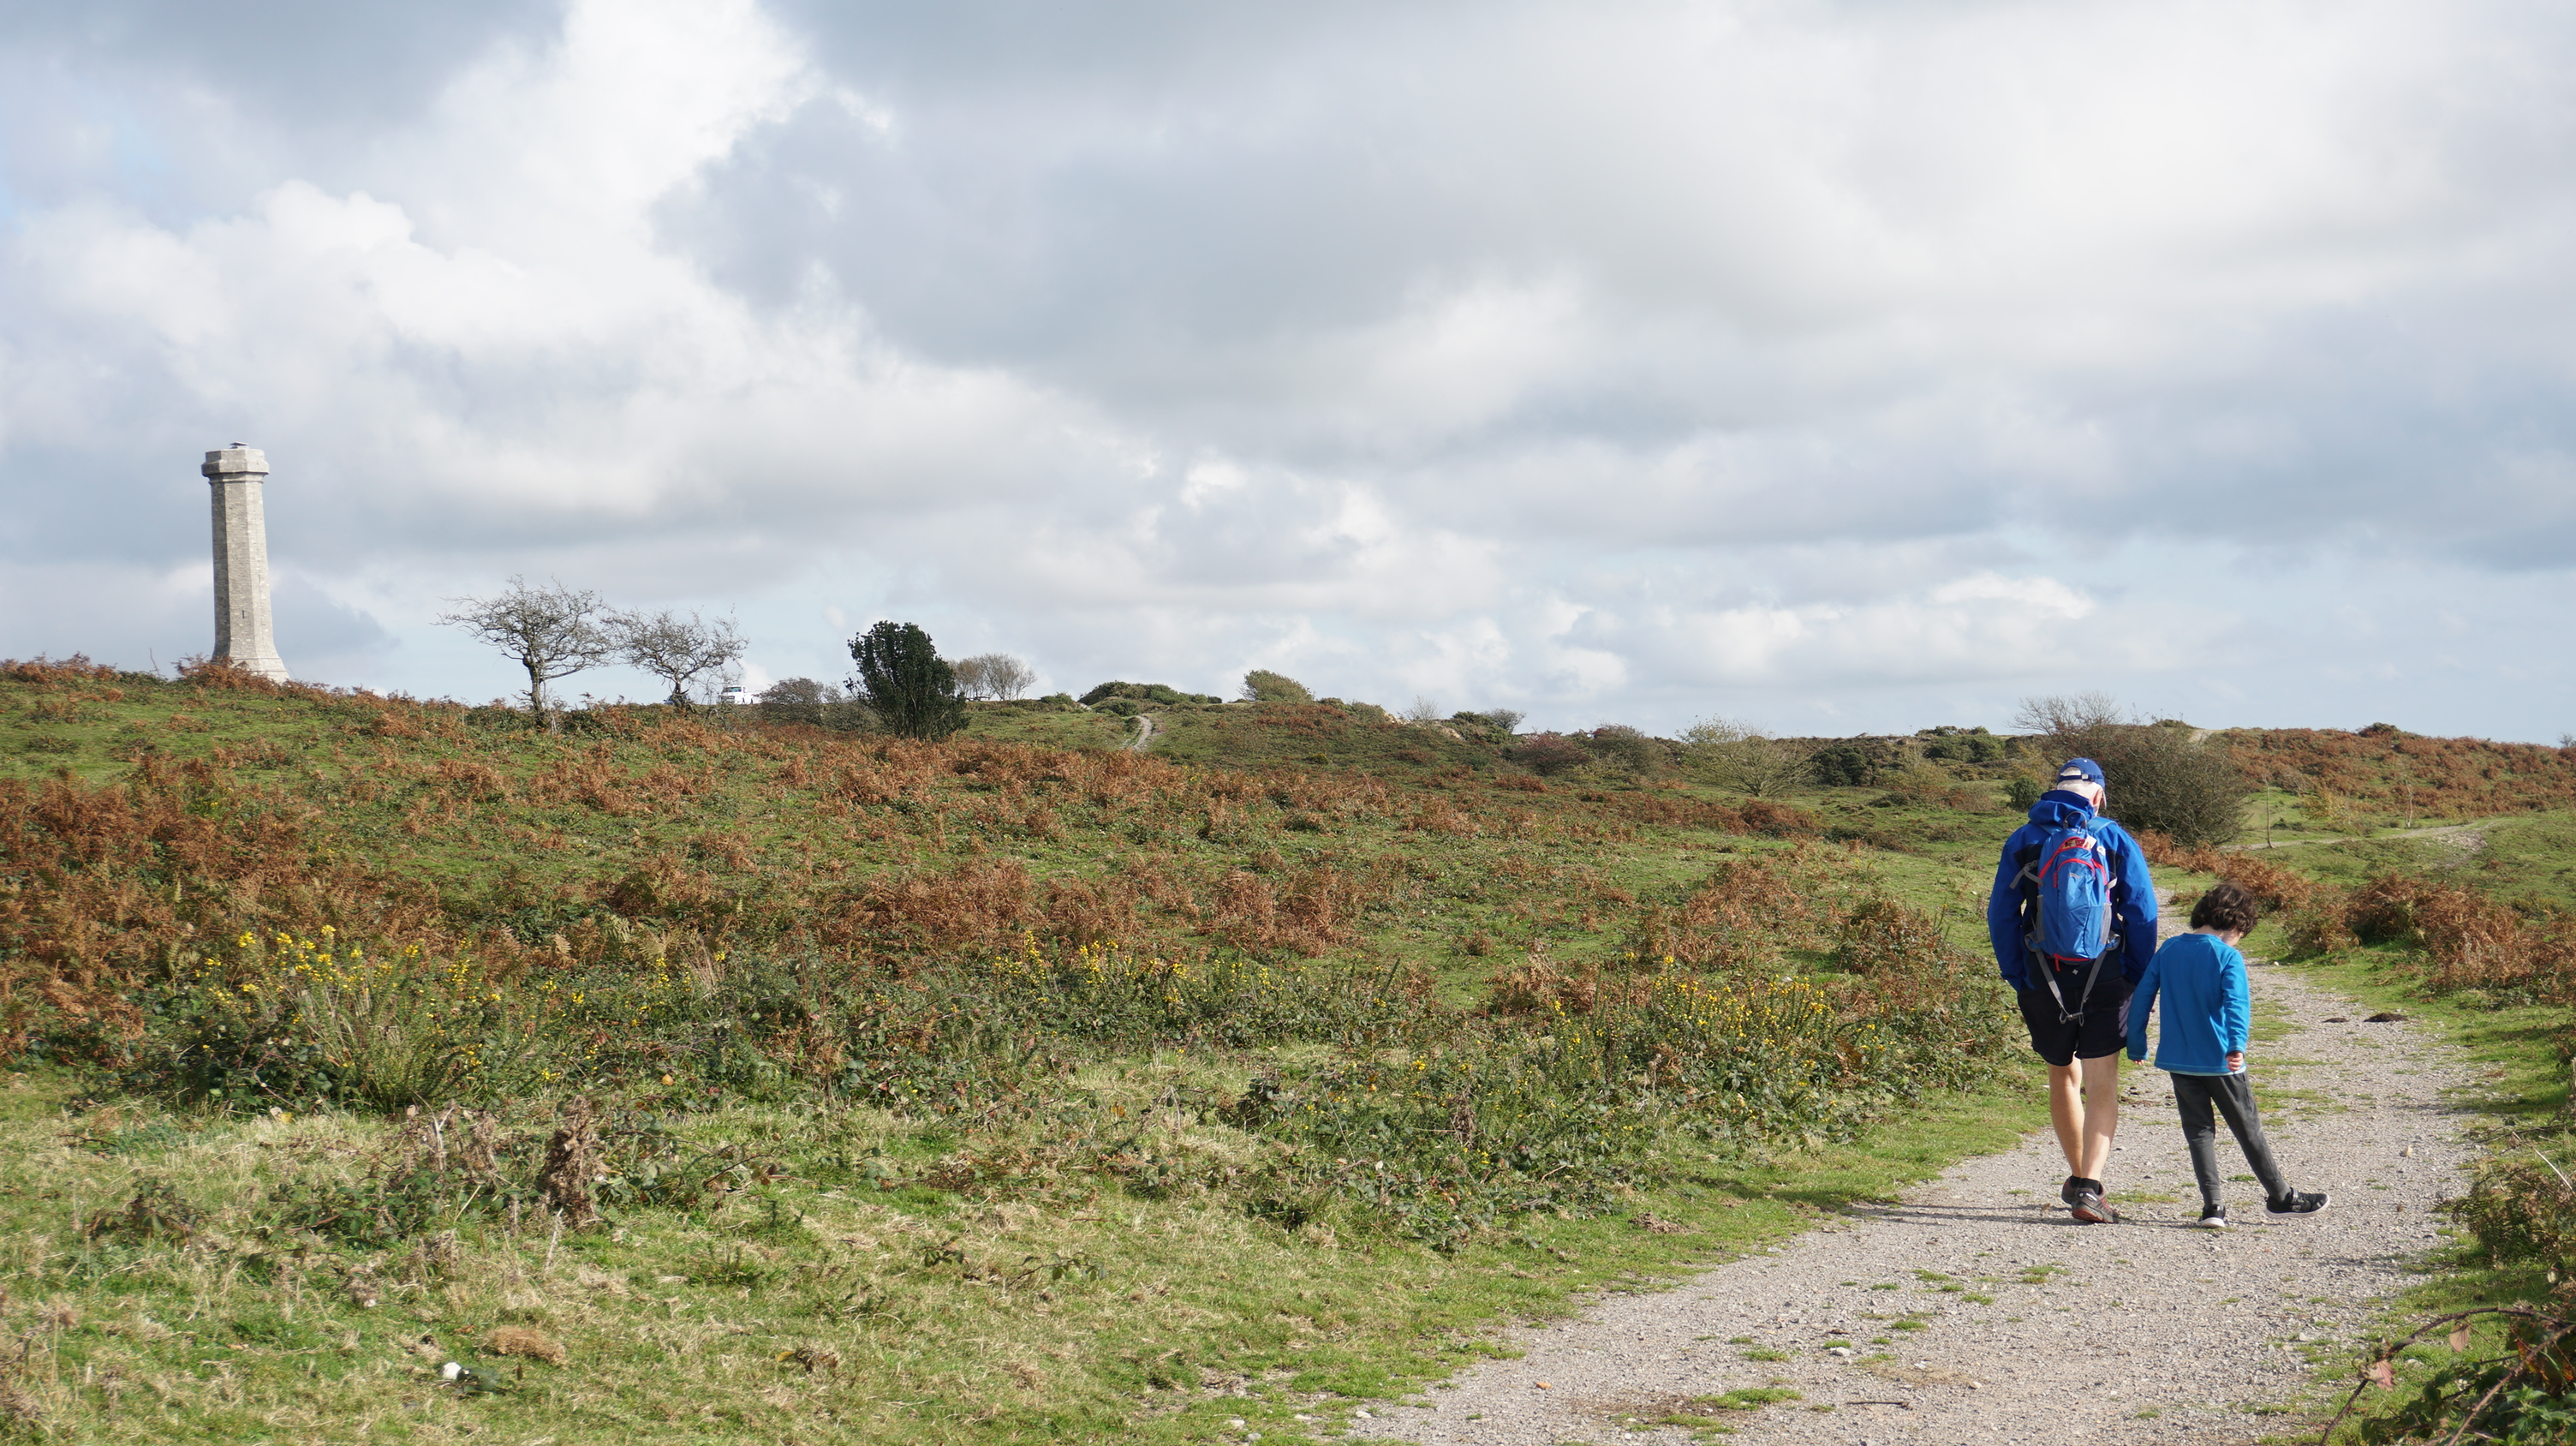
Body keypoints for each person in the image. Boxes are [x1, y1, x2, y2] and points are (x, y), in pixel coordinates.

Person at [1988, 757, 2158, 1224]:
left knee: (2062, 1075)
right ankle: (2089, 1185)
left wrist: (2016, 972)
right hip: (2106, 971)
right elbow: (2141, 912)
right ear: (2099, 795)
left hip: (2042, 973)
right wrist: (2138, 976)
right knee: (2103, 1083)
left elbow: (2001, 913)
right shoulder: (2114, 838)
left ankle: (2078, 1178)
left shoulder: (2023, 839)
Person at [2126, 880, 2329, 1227]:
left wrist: (2136, 1042)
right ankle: (2281, 1197)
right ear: (2236, 926)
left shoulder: (2169, 949)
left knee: (2199, 1132)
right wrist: (2237, 1044)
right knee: (2248, 1129)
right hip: (2221, 1060)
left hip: (2179, 1060)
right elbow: (2237, 1004)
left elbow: (2142, 996)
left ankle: (2213, 1208)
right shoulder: (2226, 955)